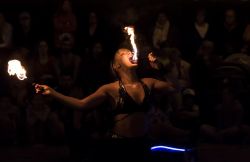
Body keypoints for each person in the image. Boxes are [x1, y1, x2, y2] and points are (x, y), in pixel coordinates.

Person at [35, 48, 178, 162]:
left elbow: (174, 87)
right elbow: (82, 104)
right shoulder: (110, 89)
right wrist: (53, 93)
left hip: (142, 144)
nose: (130, 53)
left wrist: (160, 67)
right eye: (123, 53)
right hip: (119, 147)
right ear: (116, 65)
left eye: (130, 51)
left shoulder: (148, 82)